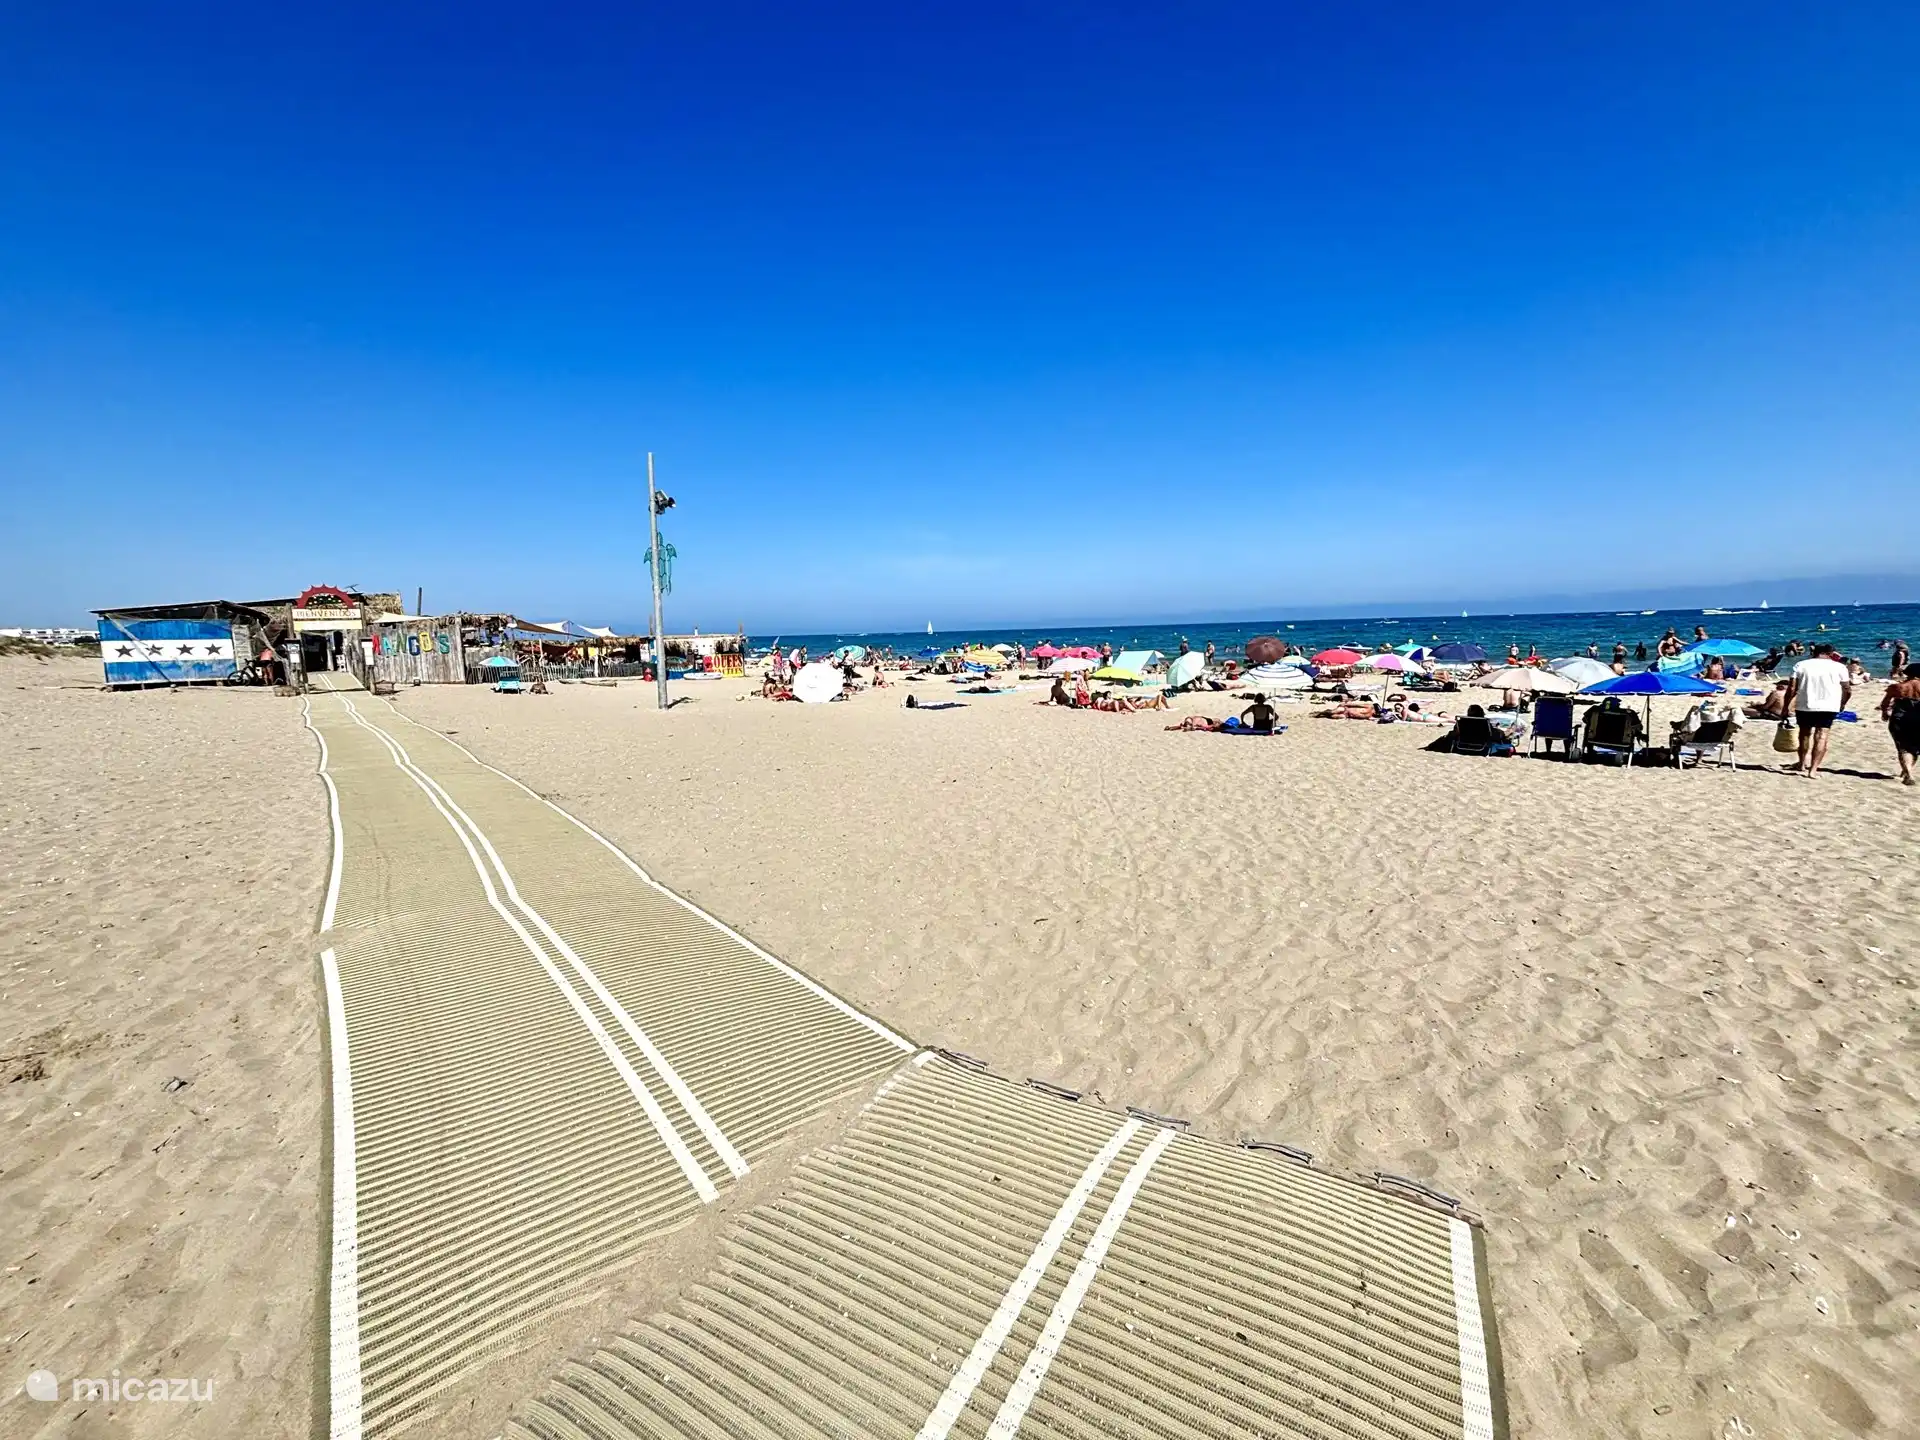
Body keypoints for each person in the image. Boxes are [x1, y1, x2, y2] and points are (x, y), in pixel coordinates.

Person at [1785, 642, 1851, 777]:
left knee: (1804, 734)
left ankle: (1802, 763)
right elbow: (1847, 689)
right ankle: (1813, 770)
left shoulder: (1801, 665)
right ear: (1831, 653)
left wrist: (1786, 705)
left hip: (1805, 704)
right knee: (1822, 736)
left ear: (1813, 652)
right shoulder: (1839, 667)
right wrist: (1843, 703)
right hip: (1829, 705)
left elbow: (1791, 688)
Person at [1879, 662, 1920, 786]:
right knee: (1915, 748)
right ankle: (1907, 771)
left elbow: (1885, 703)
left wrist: (1885, 713)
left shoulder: (1897, 687)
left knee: (1903, 747)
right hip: (1918, 719)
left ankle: (1908, 773)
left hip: (1900, 719)